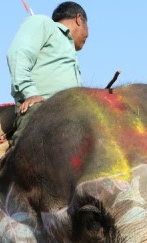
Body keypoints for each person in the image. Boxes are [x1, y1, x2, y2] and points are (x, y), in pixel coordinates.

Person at [7, 2, 89, 144]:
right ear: (78, 19)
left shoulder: (71, 54)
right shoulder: (43, 23)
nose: (88, 35)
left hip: (71, 118)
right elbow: (18, 54)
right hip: (41, 110)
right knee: (33, 153)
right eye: (88, 27)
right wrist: (30, 93)